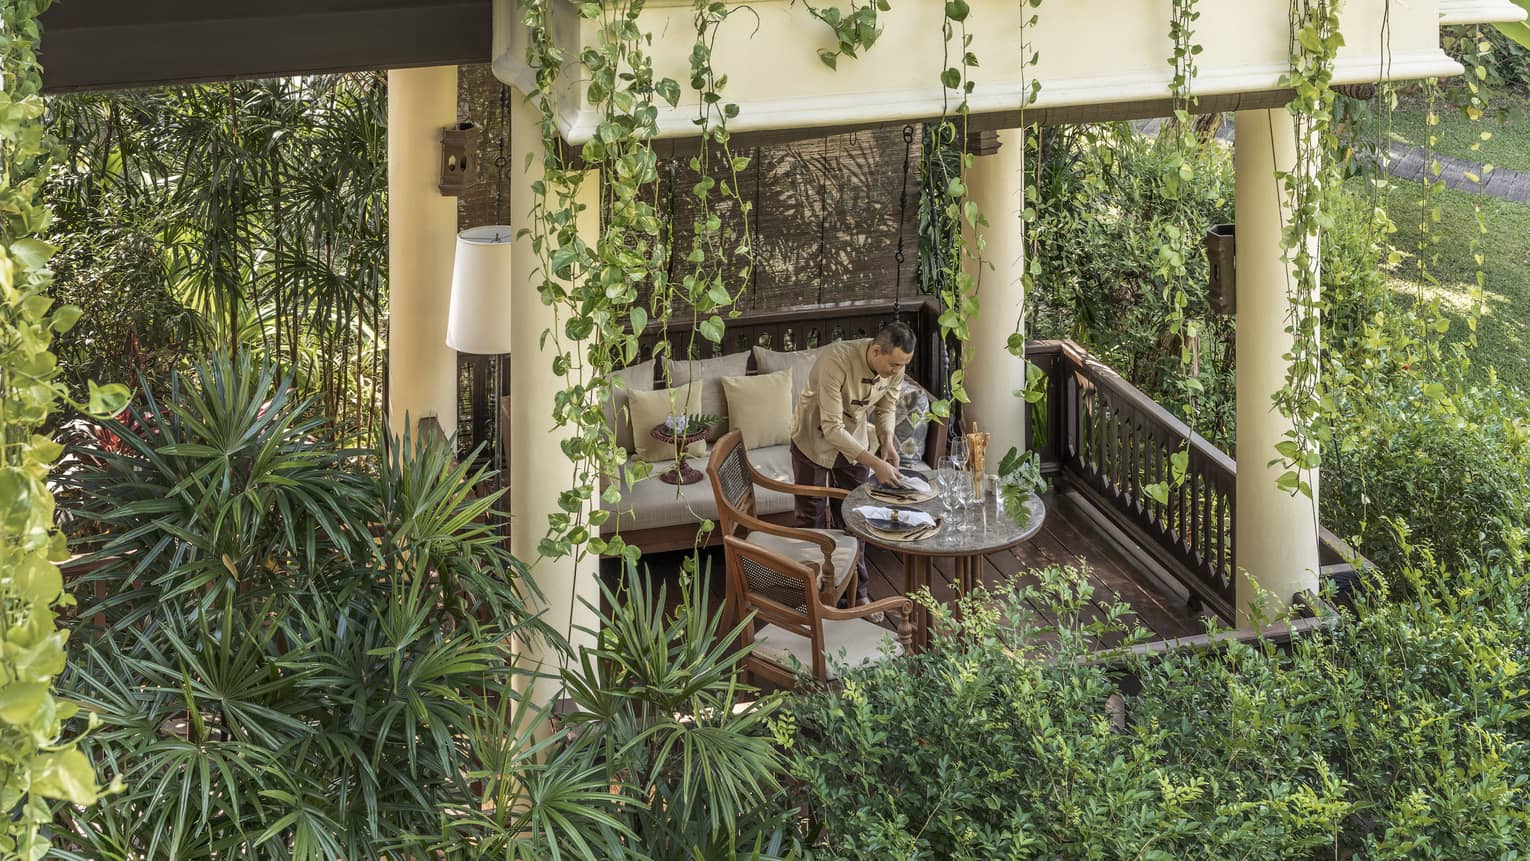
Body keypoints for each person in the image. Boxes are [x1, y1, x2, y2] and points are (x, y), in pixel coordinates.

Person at [789, 321, 915, 607]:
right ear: (875, 351)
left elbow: (887, 406)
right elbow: (831, 428)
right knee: (813, 519)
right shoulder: (835, 360)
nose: (898, 371)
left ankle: (857, 593)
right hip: (813, 440)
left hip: (855, 442)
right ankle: (813, 598)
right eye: (894, 364)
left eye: (902, 365)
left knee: (857, 518)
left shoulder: (896, 365)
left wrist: (887, 442)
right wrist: (875, 464)